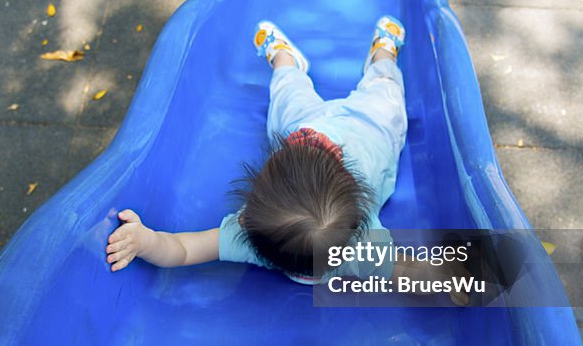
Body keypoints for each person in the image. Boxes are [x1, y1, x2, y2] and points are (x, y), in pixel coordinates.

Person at [105, 16, 408, 284]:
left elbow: (183, 250)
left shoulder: (248, 237)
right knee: (385, 92)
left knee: (288, 97)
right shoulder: (367, 249)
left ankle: (285, 61)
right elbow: (409, 272)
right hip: (369, 129)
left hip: (304, 125)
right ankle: (383, 54)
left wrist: (148, 242)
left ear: (245, 218)